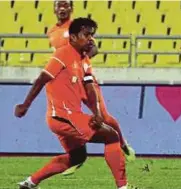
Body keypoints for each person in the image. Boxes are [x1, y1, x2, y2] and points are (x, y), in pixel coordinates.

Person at [16, 18, 130, 189]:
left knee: (77, 157)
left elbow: (90, 87)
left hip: (66, 117)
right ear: (74, 37)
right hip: (63, 116)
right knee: (112, 136)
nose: (91, 39)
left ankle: (30, 183)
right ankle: (123, 187)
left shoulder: (84, 60)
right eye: (87, 35)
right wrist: (25, 105)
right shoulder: (63, 54)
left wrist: (98, 113)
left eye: (92, 35)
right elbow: (42, 79)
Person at [47, 0, 135, 176]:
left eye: (66, 5)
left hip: (83, 78)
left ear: (71, 9)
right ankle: (76, 159)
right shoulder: (52, 32)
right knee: (69, 117)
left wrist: (82, 59)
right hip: (67, 81)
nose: (62, 8)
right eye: (59, 5)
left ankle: (123, 144)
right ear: (54, 9)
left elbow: (94, 48)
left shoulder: (78, 28)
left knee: (103, 116)